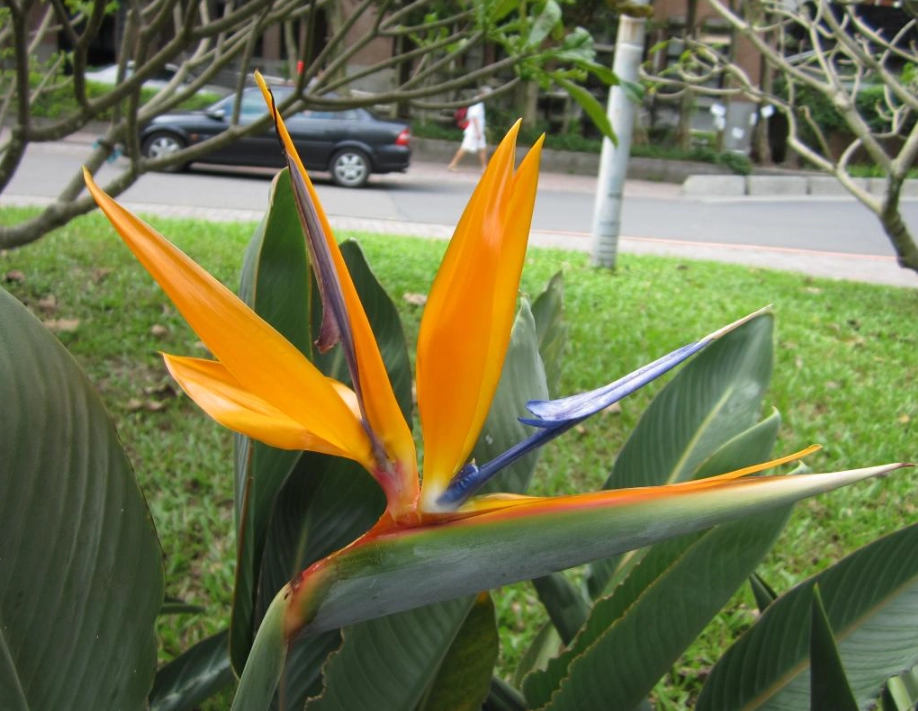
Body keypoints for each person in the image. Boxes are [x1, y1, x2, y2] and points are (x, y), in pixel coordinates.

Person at [447, 87, 491, 172]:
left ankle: (484, 167)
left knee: (482, 148)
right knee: (464, 148)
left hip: (478, 130)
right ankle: (453, 164)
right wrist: (478, 132)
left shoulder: (479, 102)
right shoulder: (476, 103)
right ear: (483, 94)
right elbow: (474, 118)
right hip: (474, 131)